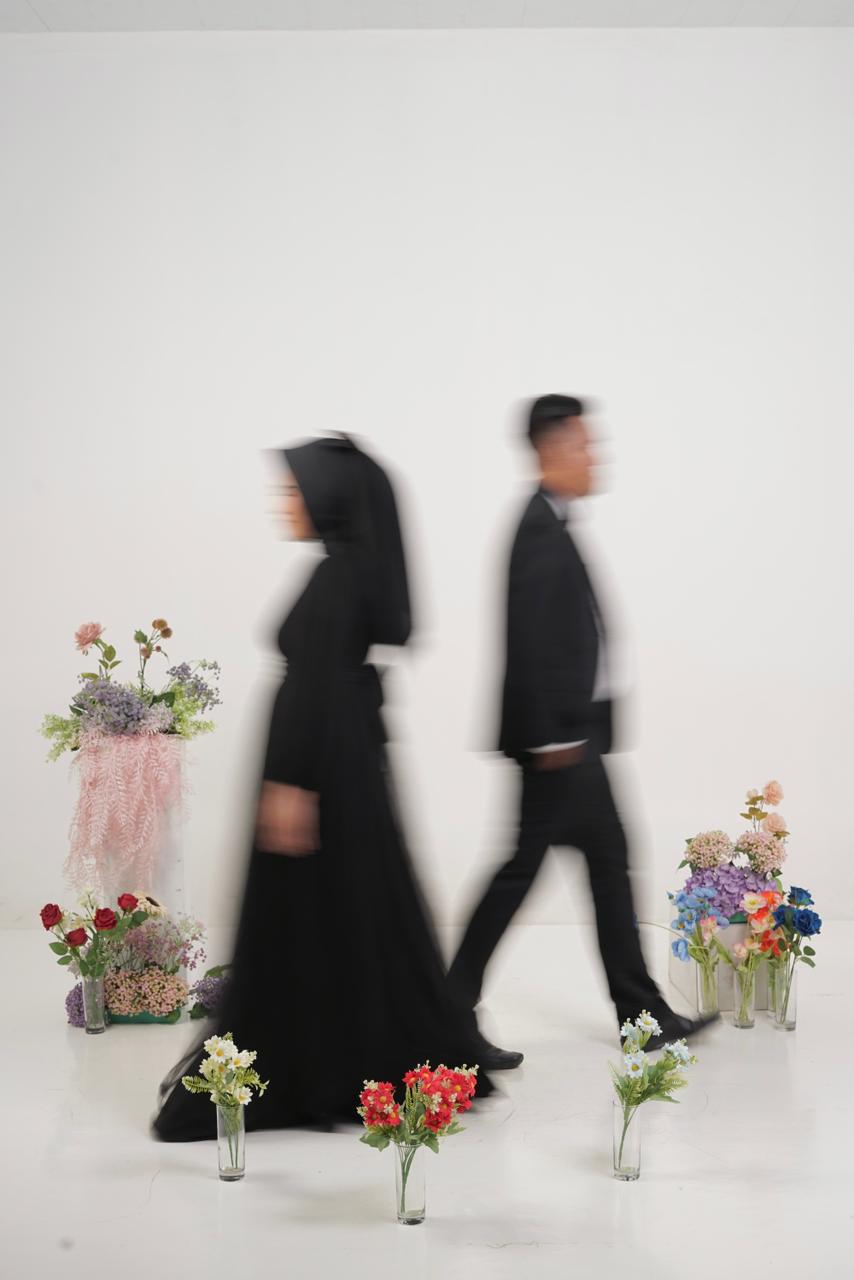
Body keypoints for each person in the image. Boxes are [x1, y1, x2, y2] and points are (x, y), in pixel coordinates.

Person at [153, 435, 490, 1138]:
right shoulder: (345, 570)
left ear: (328, 499)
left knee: (308, 915)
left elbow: (315, 691)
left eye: (293, 490)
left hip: (319, 772)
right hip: (340, 766)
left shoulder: (336, 577)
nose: (284, 502)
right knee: (346, 910)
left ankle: (311, 1070)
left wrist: (290, 783)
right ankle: (351, 1057)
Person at [448, 395, 716, 1069]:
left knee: (602, 864)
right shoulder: (539, 529)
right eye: (584, 446)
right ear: (550, 450)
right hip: (557, 747)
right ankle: (447, 1014)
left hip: (573, 739)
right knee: (524, 873)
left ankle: (642, 1015)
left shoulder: (553, 523)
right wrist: (550, 740)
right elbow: (530, 641)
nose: (595, 457)